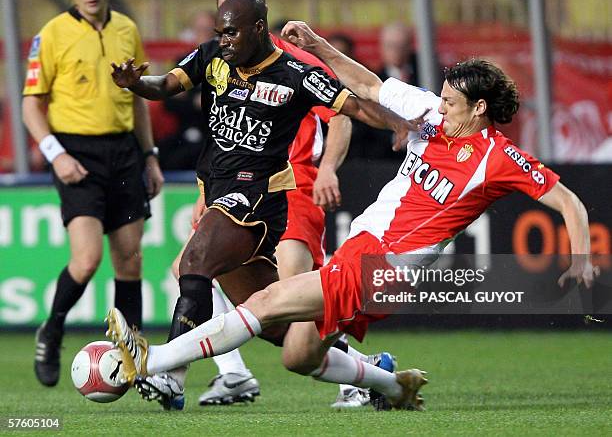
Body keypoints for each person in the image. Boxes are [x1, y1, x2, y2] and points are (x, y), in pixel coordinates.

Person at [106, 22, 599, 412]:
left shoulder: (498, 158)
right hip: (363, 245)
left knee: (269, 300)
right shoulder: (429, 113)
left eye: (451, 102)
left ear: (480, 108)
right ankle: (393, 384)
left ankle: (154, 360)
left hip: (386, 266)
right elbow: (368, 82)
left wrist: (579, 258)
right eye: (442, 98)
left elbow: (566, 201)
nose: (440, 106)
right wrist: (319, 45)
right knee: (299, 355)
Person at [109, 0, 414, 409]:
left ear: (258, 27)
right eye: (220, 30)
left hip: (260, 195)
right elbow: (165, 85)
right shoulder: (213, 57)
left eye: (231, 31)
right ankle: (375, 374)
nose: (225, 40)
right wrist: (134, 84)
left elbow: (350, 108)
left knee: (194, 266)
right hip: (221, 190)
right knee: (280, 326)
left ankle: (166, 369)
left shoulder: (296, 72)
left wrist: (399, 124)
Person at [22, 0, 163, 387]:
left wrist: (149, 155)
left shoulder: (126, 30)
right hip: (76, 154)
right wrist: (56, 154)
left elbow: (138, 97)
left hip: (123, 152)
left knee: (130, 261)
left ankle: (133, 359)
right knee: (86, 260)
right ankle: (52, 331)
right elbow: (32, 102)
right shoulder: (51, 34)